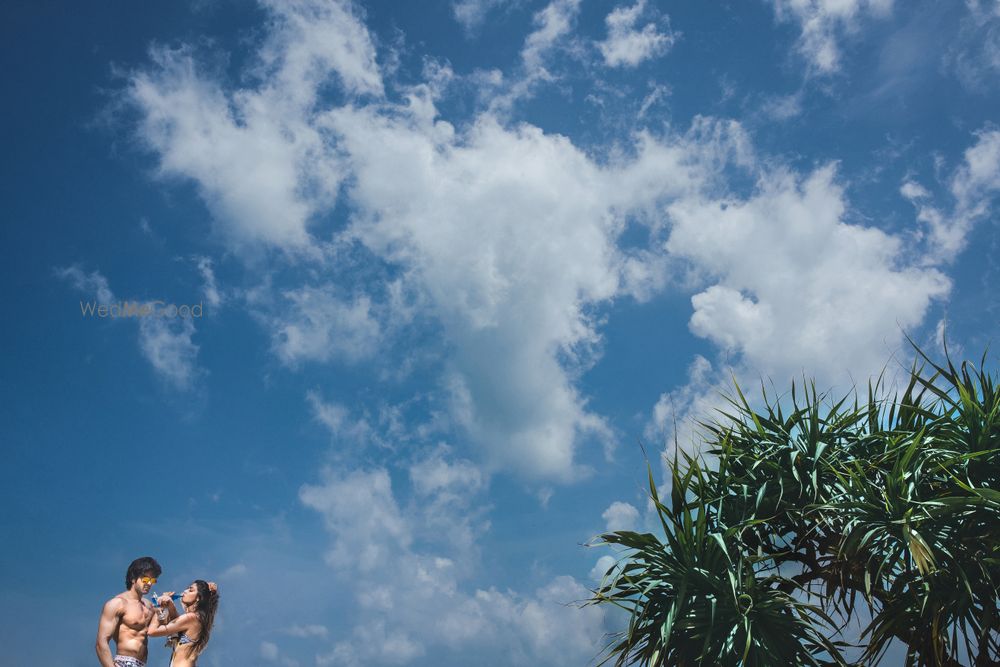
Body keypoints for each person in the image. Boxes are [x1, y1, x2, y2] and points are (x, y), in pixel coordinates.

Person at [96, 556, 163, 667]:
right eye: (145, 579)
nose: (149, 583)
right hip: (123, 663)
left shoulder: (149, 606)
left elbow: (164, 628)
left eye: (152, 580)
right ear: (133, 578)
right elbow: (101, 643)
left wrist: (166, 606)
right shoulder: (117, 604)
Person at [148, 580, 219, 667]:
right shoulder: (196, 619)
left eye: (191, 590)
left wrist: (159, 607)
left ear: (198, 598)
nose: (185, 591)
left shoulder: (191, 618)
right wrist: (169, 605)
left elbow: (152, 631)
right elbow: (176, 623)